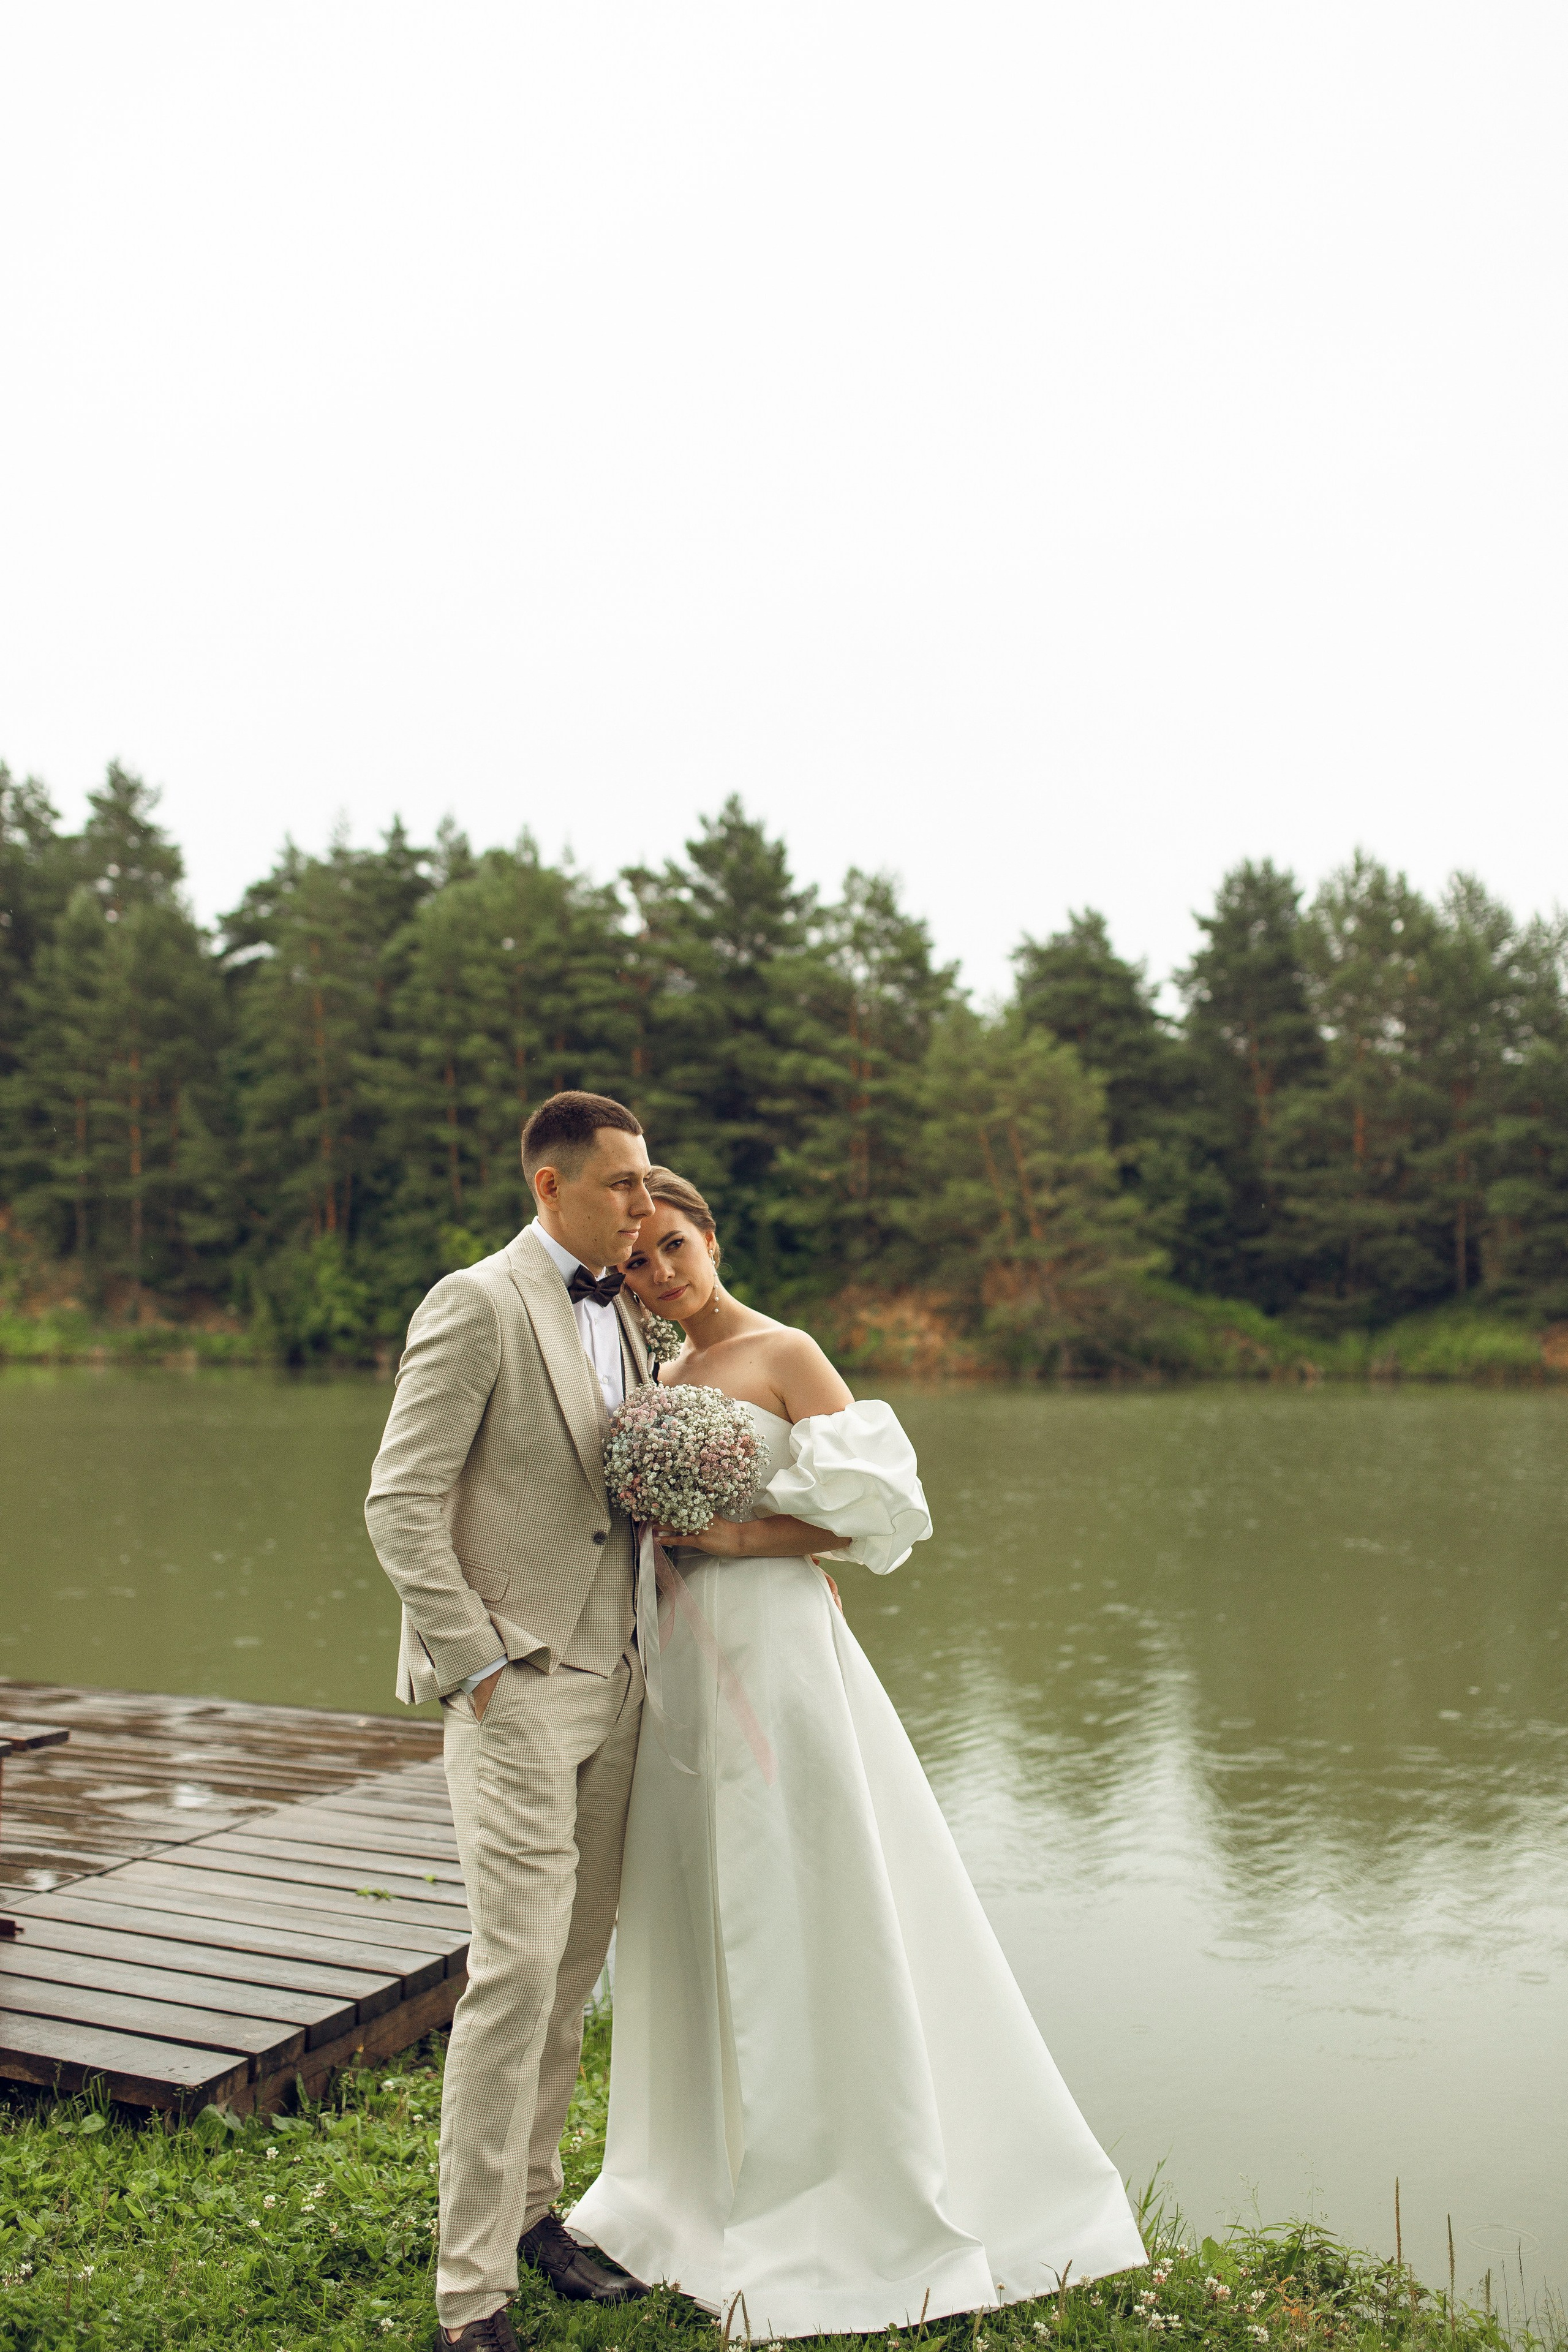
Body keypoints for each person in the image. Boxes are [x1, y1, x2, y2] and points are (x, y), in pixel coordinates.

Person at [568, 1167, 1148, 2341]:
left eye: (675, 1246)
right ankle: (694, 2183)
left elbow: (879, 1515)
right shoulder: (655, 1381)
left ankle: (846, 2183)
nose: (661, 1273)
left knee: (801, 1887)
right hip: (682, 1655)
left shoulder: (786, 1352)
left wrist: (737, 1537)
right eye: (637, 1261)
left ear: (711, 1237)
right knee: (692, 1898)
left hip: (775, 1644)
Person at [364, 1091, 663, 2352]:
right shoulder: (476, 1303)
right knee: (514, 1974)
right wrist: (478, 1666)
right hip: (519, 1687)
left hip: (625, 1681)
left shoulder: (634, 1310)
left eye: (646, 1182)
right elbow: (399, 1502)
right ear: (551, 1185)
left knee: (573, 1972)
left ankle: (535, 2214)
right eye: (622, 1184)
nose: (643, 1204)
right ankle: (469, 2299)